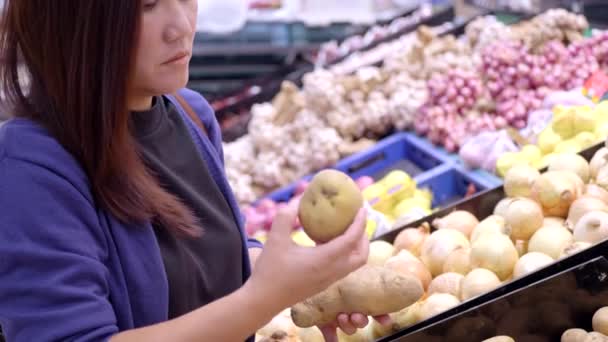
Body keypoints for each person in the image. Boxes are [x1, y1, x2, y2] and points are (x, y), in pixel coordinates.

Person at [0, 1, 389, 341]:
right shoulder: (32, 172)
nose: (182, 26)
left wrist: (306, 282)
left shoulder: (191, 114)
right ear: (75, 18)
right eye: (148, 4)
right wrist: (264, 298)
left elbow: (208, 266)